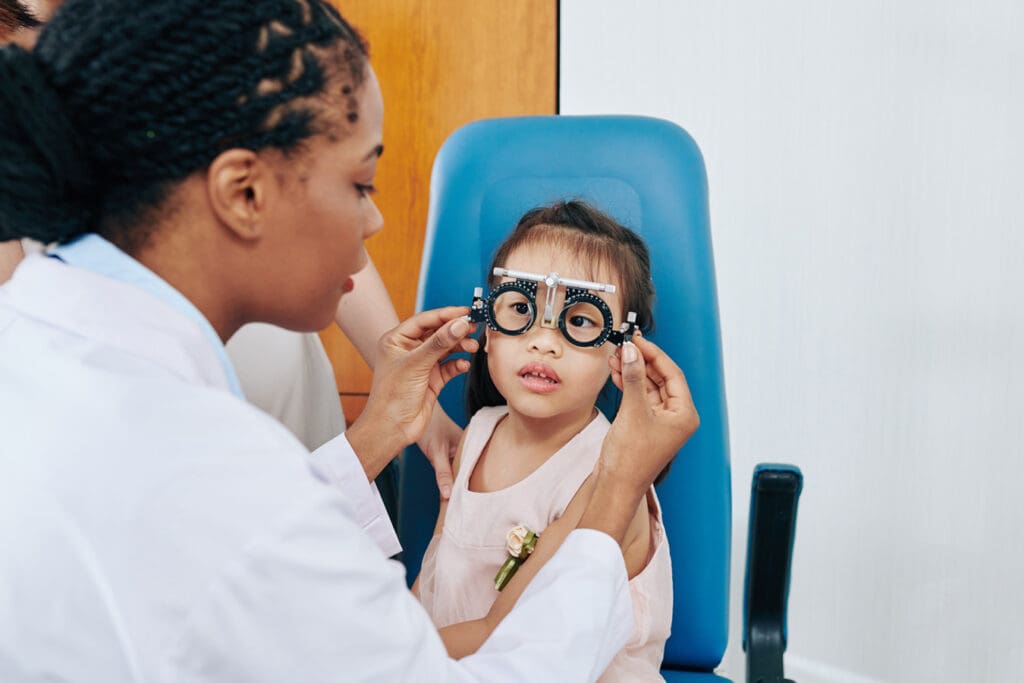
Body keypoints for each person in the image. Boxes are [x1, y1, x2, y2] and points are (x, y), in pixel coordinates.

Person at [0, 1, 699, 680]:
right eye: (360, 181)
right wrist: (615, 489)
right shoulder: (214, 475)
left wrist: (371, 438)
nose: (373, 221)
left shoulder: (42, 347)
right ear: (244, 193)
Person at [0, 0, 463, 496]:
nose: (372, 221)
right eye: (360, 188)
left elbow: (316, 216)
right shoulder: (79, 378)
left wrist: (404, 406)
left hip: (284, 420)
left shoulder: (190, 36)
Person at [414, 201, 673, 680]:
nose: (543, 341)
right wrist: (392, 634)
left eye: (579, 321)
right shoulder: (477, 435)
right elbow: (431, 583)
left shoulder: (608, 477)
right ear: (488, 328)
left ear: (620, 351)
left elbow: (504, 632)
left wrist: (382, 655)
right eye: (519, 308)